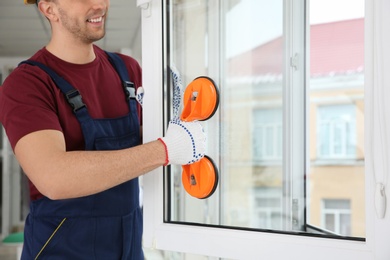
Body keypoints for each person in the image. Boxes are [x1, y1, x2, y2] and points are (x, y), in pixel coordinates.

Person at [0, 0, 206, 259]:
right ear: (49, 9)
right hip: (62, 251)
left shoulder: (128, 71)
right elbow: (53, 177)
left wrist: (178, 127)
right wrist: (166, 149)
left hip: (129, 248)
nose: (99, 4)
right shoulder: (27, 84)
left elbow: (145, 145)